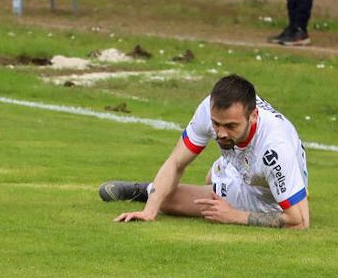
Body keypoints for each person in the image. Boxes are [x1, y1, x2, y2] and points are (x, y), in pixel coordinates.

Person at [99, 74, 309, 230]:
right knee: (183, 189)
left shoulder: (275, 149)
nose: (221, 133)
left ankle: (146, 190)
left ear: (253, 115)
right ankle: (151, 194)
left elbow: (300, 221)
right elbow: (176, 162)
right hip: (240, 162)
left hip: (266, 194)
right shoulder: (208, 110)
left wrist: (234, 215)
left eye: (230, 126)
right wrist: (149, 212)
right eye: (216, 124)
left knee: (171, 201)